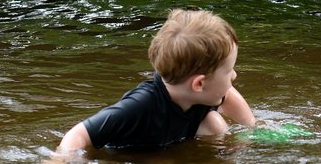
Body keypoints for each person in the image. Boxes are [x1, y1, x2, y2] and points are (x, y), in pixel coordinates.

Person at [57, 9, 256, 152]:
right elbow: (79, 134)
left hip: (172, 143)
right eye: (229, 70)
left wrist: (252, 129)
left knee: (214, 123)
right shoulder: (139, 106)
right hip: (133, 155)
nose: (234, 75)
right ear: (199, 84)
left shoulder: (207, 94)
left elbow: (227, 95)